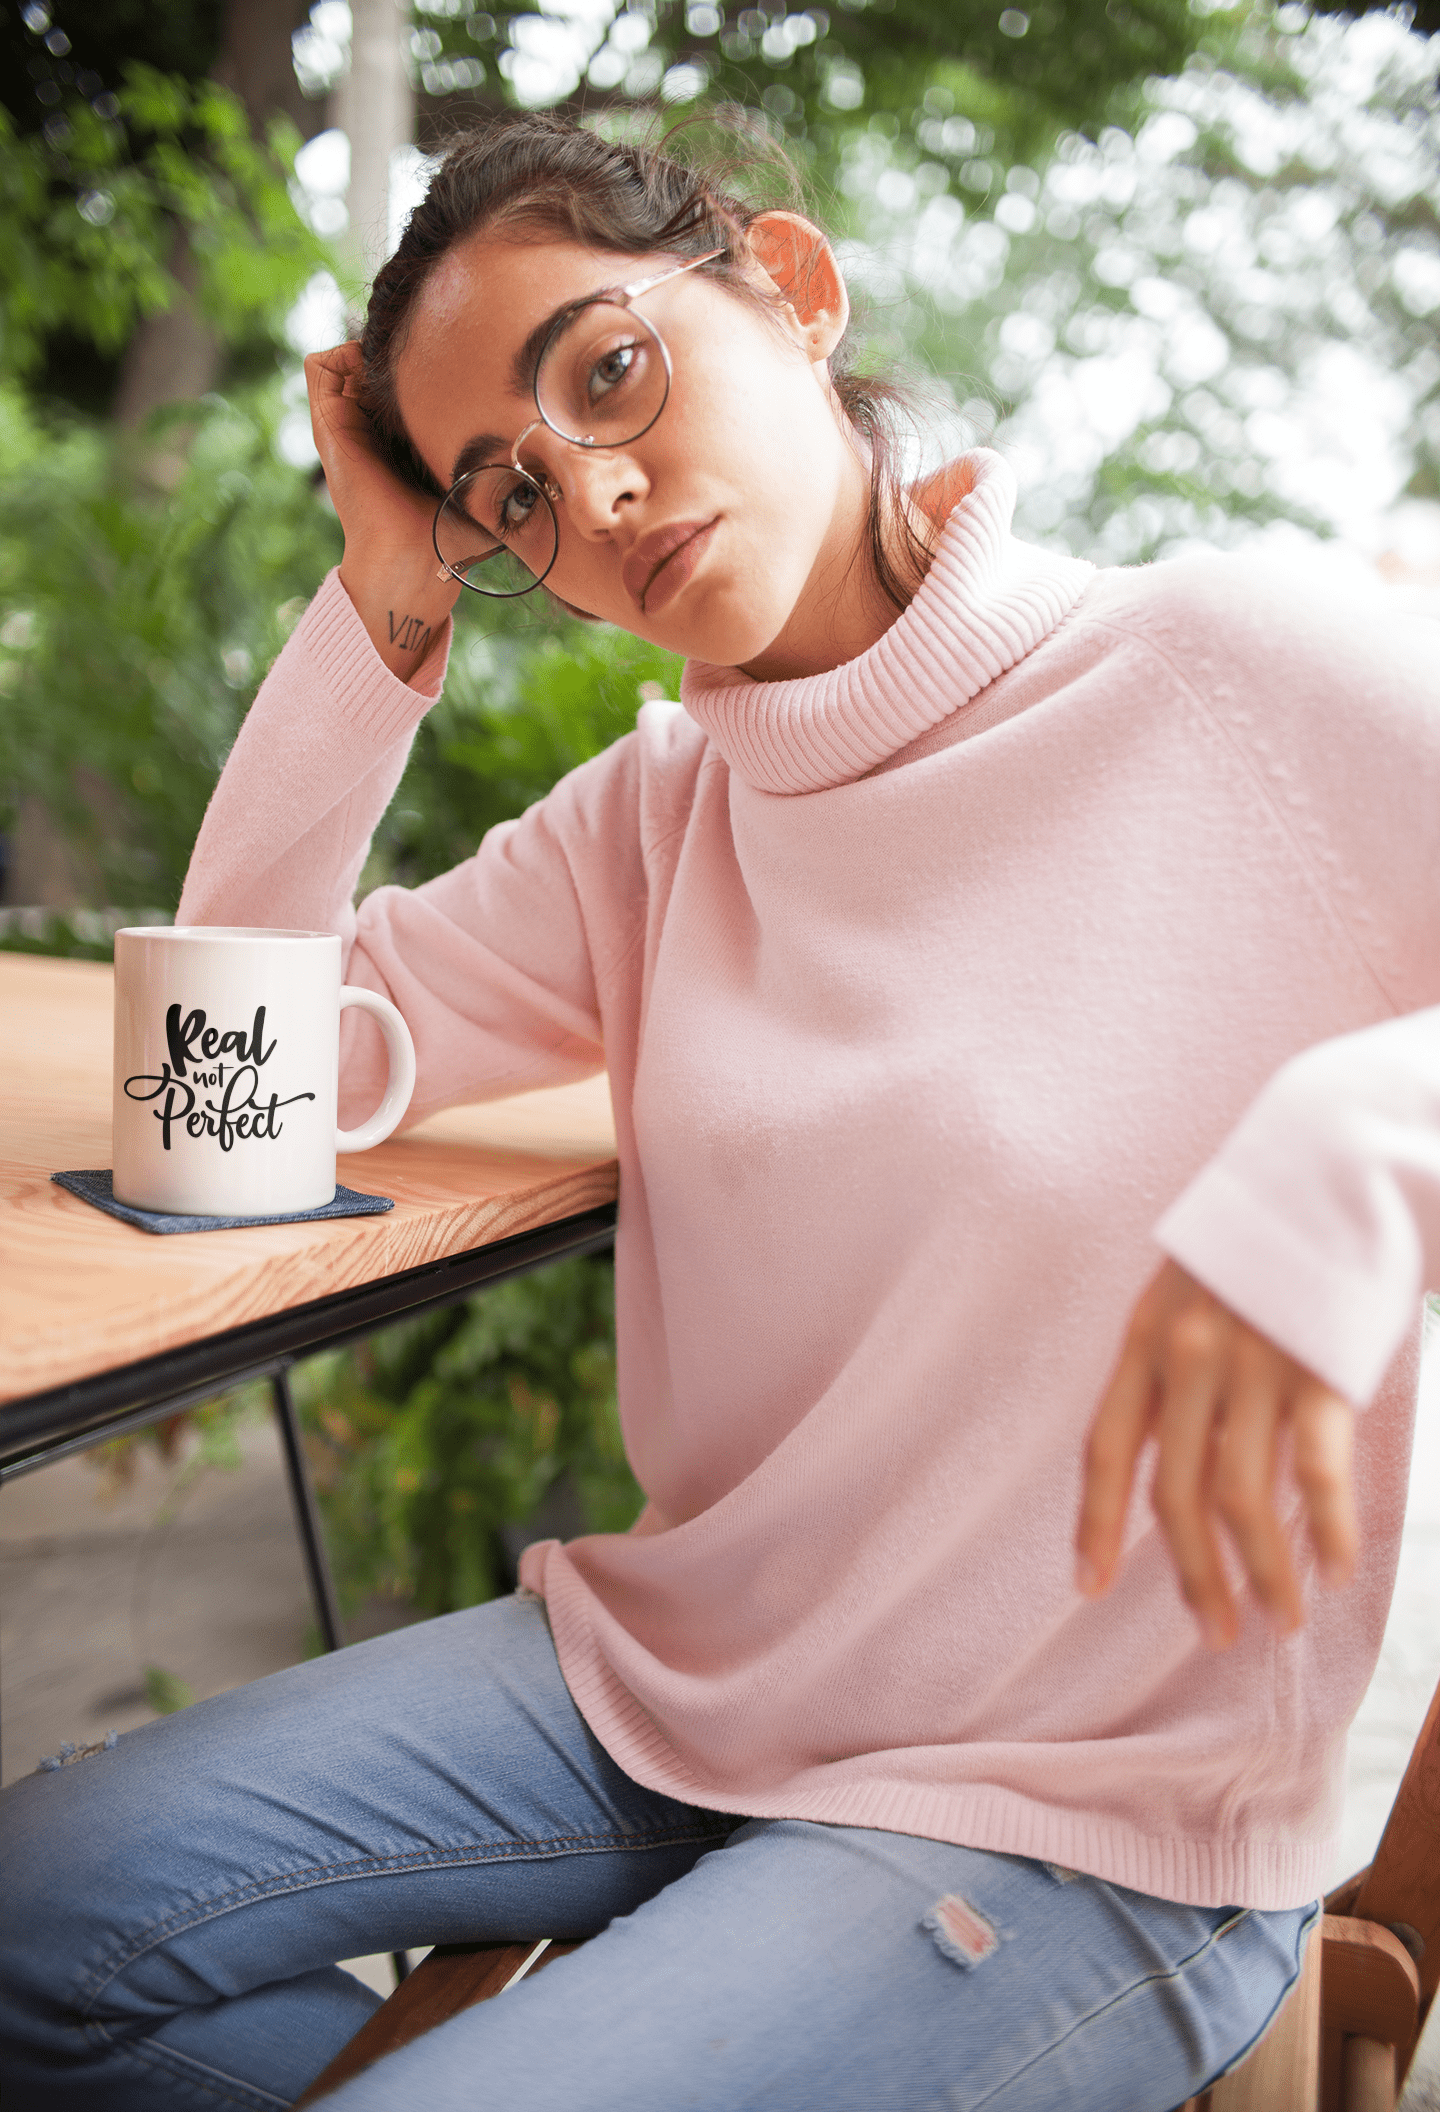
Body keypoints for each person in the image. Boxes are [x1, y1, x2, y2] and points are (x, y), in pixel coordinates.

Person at [2, 113, 1437, 2112]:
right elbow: (214, 1099)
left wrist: (1353, 1148)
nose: (586, 487)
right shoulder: (654, 826)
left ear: (793, 285)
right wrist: (386, 598)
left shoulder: (1222, 672)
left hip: (1079, 1813)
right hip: (673, 1682)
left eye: (609, 369)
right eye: (506, 494)